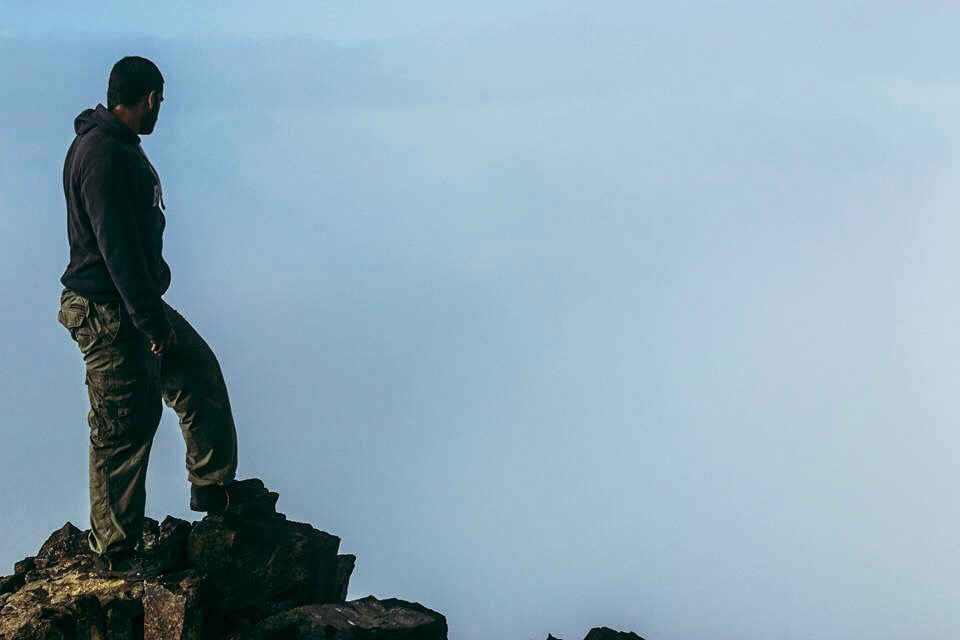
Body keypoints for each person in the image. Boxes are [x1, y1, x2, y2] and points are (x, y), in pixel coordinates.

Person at [57, 56, 266, 579]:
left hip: (134, 300)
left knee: (196, 370)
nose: (161, 110)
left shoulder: (117, 148)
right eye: (160, 100)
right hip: (111, 311)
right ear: (148, 97)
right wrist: (152, 322)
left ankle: (212, 486)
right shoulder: (102, 154)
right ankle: (117, 552)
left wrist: (154, 288)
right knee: (123, 425)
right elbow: (116, 248)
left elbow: (132, 238)